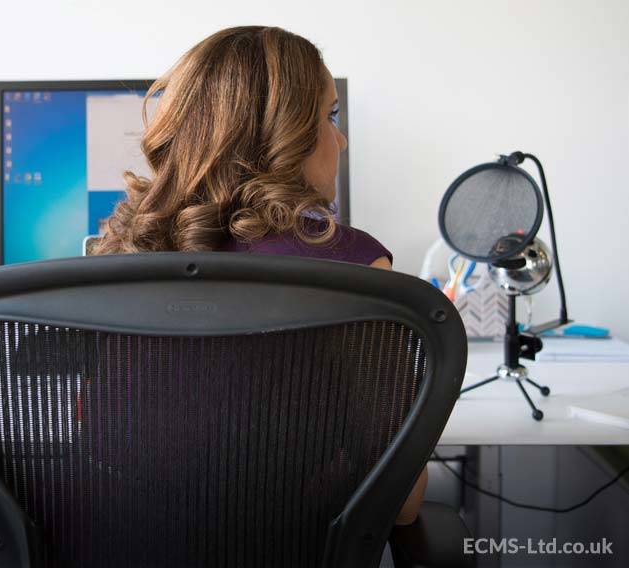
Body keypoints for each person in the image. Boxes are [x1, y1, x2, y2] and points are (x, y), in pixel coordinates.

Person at [93, 25, 425, 525]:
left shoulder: (115, 259)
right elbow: (401, 505)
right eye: (329, 116)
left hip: (117, 545)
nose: (343, 138)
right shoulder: (356, 268)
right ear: (284, 134)